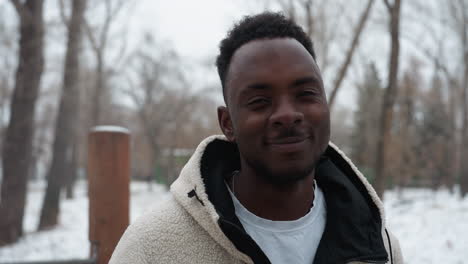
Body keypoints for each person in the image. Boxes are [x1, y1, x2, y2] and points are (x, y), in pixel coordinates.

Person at [110, 12, 403, 264]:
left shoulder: (378, 246)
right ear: (228, 124)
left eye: (305, 94)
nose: (287, 114)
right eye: (260, 101)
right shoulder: (151, 248)